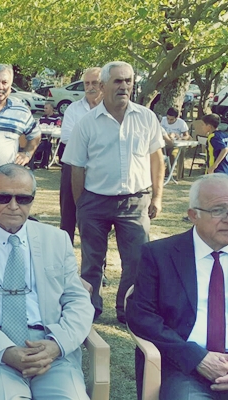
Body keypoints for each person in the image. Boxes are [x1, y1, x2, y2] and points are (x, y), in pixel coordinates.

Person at [0, 163, 94, 400]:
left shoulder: (57, 240)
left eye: (23, 199)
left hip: (50, 350)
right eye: (4, 197)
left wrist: (56, 345)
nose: (13, 206)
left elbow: (78, 300)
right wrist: (5, 351)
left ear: (32, 200)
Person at [62, 61, 165, 324]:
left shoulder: (146, 117)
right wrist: (82, 204)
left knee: (136, 261)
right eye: (118, 81)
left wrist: (157, 196)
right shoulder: (86, 123)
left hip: (135, 201)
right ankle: (89, 310)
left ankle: (128, 311)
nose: (124, 86)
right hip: (95, 201)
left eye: (128, 81)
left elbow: (156, 160)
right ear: (103, 85)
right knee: (92, 262)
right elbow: (76, 167)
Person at [127, 173, 228, 399]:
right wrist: (196, 358)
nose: (227, 218)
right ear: (193, 215)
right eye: (218, 210)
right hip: (185, 366)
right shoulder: (159, 255)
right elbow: (141, 316)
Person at [58, 67, 102, 245]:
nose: (90, 87)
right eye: (86, 83)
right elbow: (66, 137)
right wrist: (97, 143)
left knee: (96, 220)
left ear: (103, 84)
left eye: (94, 83)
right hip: (72, 166)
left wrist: (83, 139)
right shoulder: (73, 109)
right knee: (68, 216)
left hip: (100, 169)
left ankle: (94, 260)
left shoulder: (111, 110)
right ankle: (64, 255)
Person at [161, 107, 191, 175]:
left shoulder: (181, 123)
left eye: (171, 119)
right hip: (163, 144)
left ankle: (168, 173)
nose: (169, 121)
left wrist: (180, 137)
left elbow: (187, 136)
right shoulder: (162, 120)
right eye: (168, 118)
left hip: (175, 145)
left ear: (176, 118)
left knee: (173, 154)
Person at [33, 101, 62, 169]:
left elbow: (58, 126)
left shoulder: (57, 118)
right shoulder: (42, 117)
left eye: (46, 108)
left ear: (51, 109)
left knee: (47, 143)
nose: (44, 110)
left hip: (51, 135)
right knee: (45, 143)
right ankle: (39, 160)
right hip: (41, 136)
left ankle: (44, 162)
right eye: (44, 108)